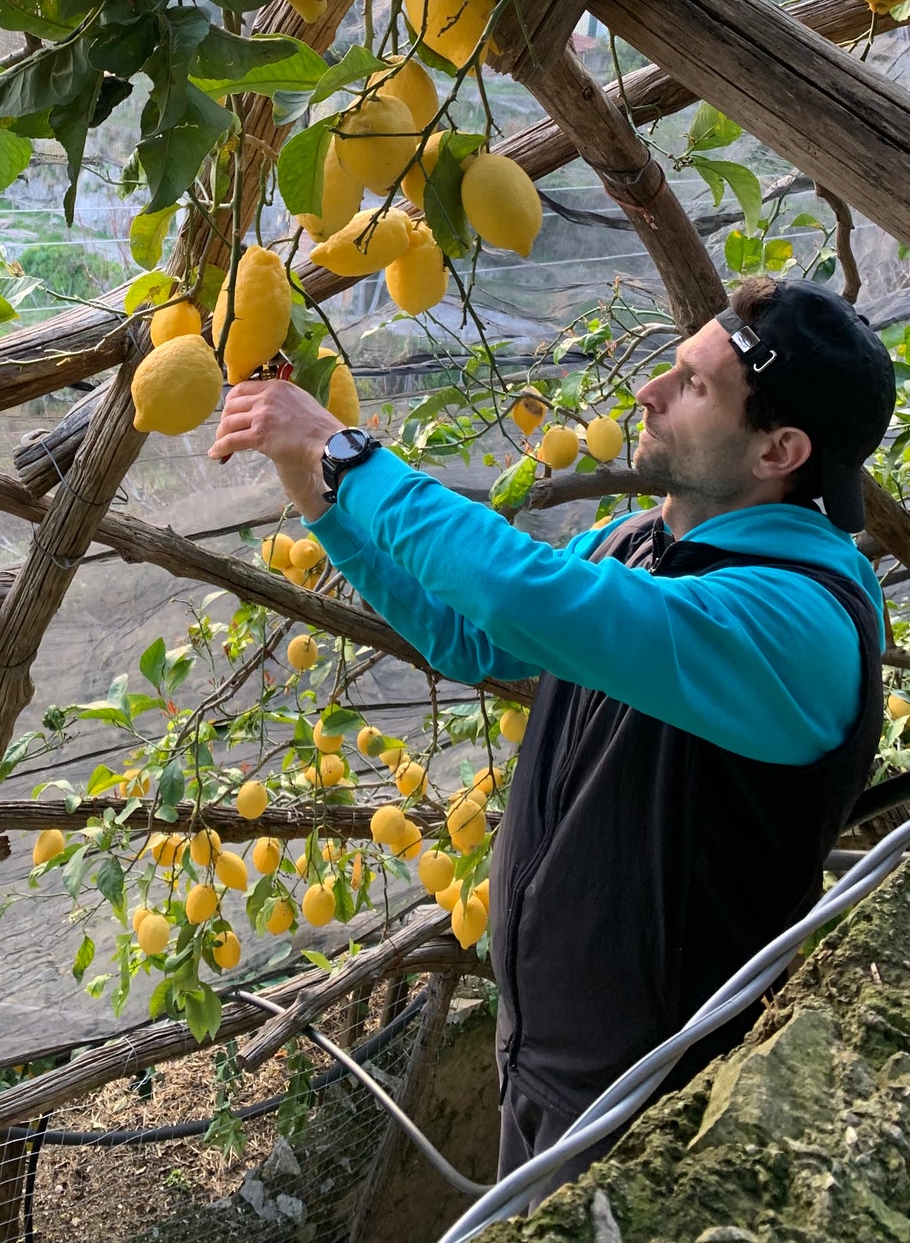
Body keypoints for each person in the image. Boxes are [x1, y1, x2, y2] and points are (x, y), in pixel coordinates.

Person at [209, 276, 895, 1196]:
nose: (647, 391)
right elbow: (464, 630)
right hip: (545, 1051)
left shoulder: (796, 619)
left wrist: (340, 450)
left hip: (654, 1098)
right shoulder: (634, 542)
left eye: (691, 385)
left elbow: (515, 590)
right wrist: (315, 488)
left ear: (779, 448)